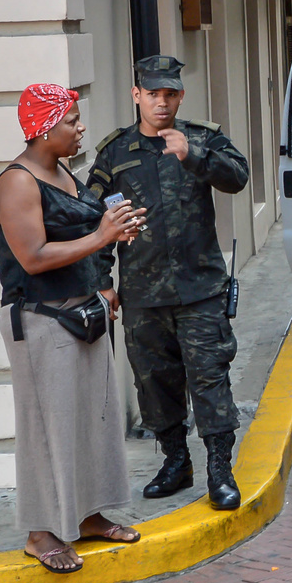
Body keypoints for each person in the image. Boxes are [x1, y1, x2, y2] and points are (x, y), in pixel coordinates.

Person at [0, 83, 146, 574]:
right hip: (41, 320)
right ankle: (40, 532)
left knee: (89, 420)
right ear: (41, 128)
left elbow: (84, 238)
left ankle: (89, 514)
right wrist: (101, 234)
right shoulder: (17, 182)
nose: (81, 129)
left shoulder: (62, 173)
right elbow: (32, 258)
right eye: (71, 121)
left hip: (83, 314)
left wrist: (105, 270)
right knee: (45, 427)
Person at [88, 56, 251, 509]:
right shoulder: (114, 153)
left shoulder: (202, 138)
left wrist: (193, 155)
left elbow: (238, 178)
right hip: (142, 293)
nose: (162, 102)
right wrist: (102, 279)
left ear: (180, 95)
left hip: (200, 290)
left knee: (209, 381)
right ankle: (177, 463)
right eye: (153, 94)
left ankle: (220, 470)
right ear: (137, 95)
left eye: (170, 94)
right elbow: (94, 218)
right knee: (155, 385)